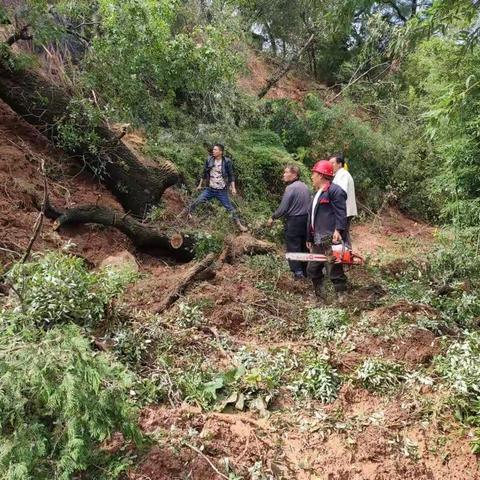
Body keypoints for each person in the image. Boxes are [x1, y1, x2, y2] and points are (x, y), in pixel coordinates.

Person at [306, 160, 348, 301]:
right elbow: (311, 217)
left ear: (321, 175)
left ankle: (342, 297)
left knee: (334, 269)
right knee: (312, 269)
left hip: (329, 237)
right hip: (317, 238)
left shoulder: (335, 191)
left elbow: (341, 213)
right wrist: (309, 238)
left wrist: (339, 230)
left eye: (314, 174)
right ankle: (320, 296)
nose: (312, 177)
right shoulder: (317, 194)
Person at [188, 144, 248, 232]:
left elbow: (231, 176)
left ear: (221, 152)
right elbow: (204, 173)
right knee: (198, 201)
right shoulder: (209, 159)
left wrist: (233, 188)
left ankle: (239, 225)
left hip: (221, 191)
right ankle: (188, 214)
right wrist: (200, 185)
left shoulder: (227, 161)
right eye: (213, 150)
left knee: (230, 208)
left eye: (215, 150)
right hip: (210, 189)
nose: (213, 151)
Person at [267, 165, 311, 280]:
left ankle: (298, 273)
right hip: (306, 220)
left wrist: (273, 217)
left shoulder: (290, 188)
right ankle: (306, 272)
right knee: (303, 246)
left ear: (294, 175)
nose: (284, 175)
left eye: (286, 172)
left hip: (294, 221)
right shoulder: (305, 186)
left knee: (293, 246)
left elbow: (283, 208)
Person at [329, 153, 357, 249]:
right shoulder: (338, 175)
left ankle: (346, 256)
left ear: (340, 164)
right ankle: (346, 255)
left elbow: (340, 193)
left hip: (344, 210)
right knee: (344, 234)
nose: (330, 165)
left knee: (342, 235)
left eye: (332, 163)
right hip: (344, 210)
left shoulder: (343, 174)